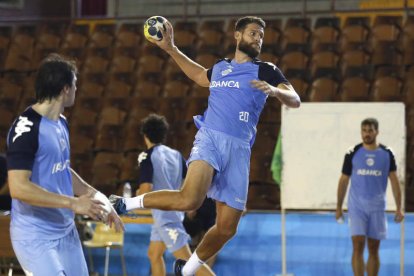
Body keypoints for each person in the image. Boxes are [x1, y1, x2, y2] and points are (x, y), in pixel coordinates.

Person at [110, 16, 301, 276]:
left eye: (261, 36)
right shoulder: (221, 68)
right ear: (237, 35)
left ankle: (186, 270)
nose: (258, 39)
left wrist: (276, 91)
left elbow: (295, 99)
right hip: (210, 138)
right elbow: (200, 76)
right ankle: (126, 204)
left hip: (239, 149)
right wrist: (171, 49)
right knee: (190, 198)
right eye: (253, 33)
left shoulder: (266, 70)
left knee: (227, 228)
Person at [6, 53, 124, 276]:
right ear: (65, 89)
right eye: (75, 84)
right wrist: (73, 203)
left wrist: (97, 196)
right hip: (35, 236)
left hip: (65, 231)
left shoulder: (61, 122)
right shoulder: (26, 128)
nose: (77, 90)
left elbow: (60, 170)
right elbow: (18, 188)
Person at [135, 113, 214, 276]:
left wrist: (136, 195)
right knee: (154, 254)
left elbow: (145, 190)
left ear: (145, 135)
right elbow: (189, 181)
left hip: (166, 218)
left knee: (188, 261)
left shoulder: (147, 156)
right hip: (173, 212)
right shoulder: (176, 155)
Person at [336, 118, 404, 276]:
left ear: (377, 132)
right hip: (357, 207)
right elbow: (343, 181)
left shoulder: (387, 154)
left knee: (373, 248)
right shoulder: (352, 153)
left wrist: (399, 208)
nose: (366, 134)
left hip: (377, 208)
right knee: (358, 246)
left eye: (370, 130)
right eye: (364, 130)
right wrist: (339, 207)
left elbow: (394, 181)